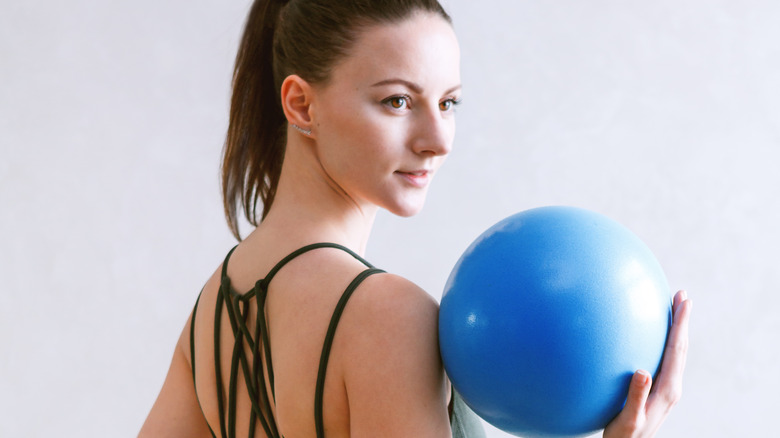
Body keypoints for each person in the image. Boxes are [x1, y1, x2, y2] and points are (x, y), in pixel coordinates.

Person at [139, 0, 692, 437]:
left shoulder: (215, 305)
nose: (437, 141)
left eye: (448, 103)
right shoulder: (387, 316)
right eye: (398, 102)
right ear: (302, 105)